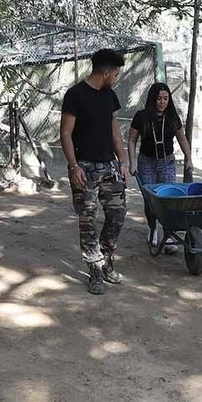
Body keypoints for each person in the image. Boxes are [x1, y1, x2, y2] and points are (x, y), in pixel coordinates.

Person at [60, 48, 130, 295]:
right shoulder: (75, 95)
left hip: (110, 166)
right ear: (107, 72)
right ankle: (95, 271)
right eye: (117, 73)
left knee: (117, 215)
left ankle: (105, 260)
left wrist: (123, 161)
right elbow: (66, 134)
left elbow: (115, 132)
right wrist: (73, 165)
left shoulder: (110, 96)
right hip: (84, 168)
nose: (118, 77)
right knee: (87, 221)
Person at [129, 81, 191, 251]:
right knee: (150, 200)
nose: (162, 102)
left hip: (167, 162)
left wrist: (188, 158)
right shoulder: (141, 116)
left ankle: (168, 235)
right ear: (152, 99)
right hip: (146, 162)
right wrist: (132, 162)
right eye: (158, 99)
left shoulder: (172, 116)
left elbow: (182, 138)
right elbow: (132, 141)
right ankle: (152, 229)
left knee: (168, 200)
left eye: (165, 98)